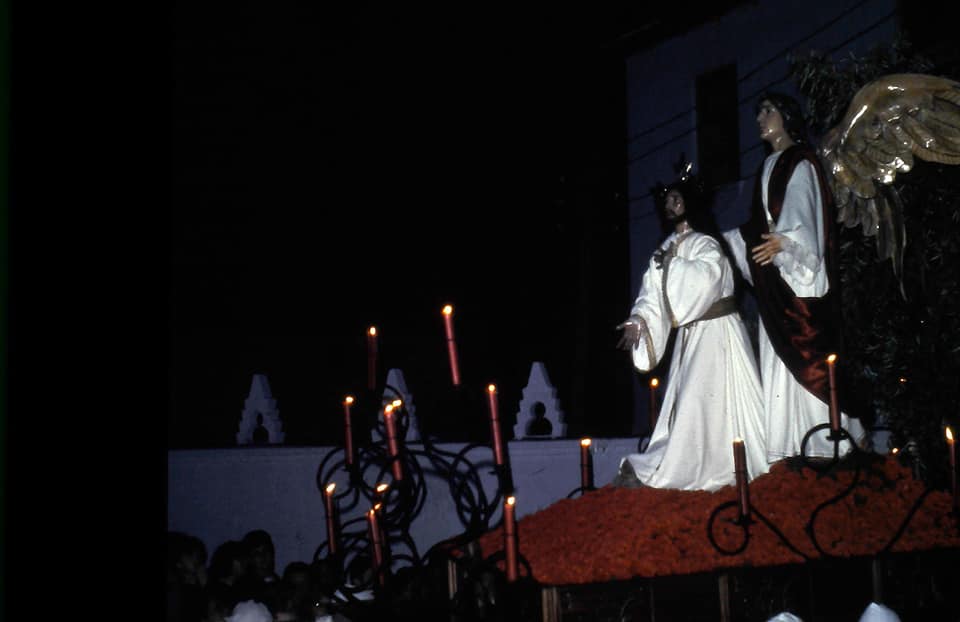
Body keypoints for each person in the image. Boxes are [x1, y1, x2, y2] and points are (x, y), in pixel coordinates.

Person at [722, 92, 867, 462]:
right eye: (758, 112)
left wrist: (786, 242)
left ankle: (825, 444)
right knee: (779, 361)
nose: (760, 118)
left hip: (797, 280)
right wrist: (722, 242)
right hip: (775, 281)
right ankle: (789, 446)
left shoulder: (800, 161)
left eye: (768, 110)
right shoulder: (768, 165)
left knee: (809, 357)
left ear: (787, 116)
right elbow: (757, 226)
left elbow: (804, 214)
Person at [613, 163, 768, 491]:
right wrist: (638, 320)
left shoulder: (706, 243)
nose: (671, 205)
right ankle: (692, 463)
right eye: (667, 201)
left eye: (676, 199)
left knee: (709, 401)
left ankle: (723, 465)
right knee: (692, 403)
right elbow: (651, 293)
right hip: (691, 337)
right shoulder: (665, 247)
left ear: (689, 203)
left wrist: (674, 266)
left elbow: (708, 279)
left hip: (718, 333)